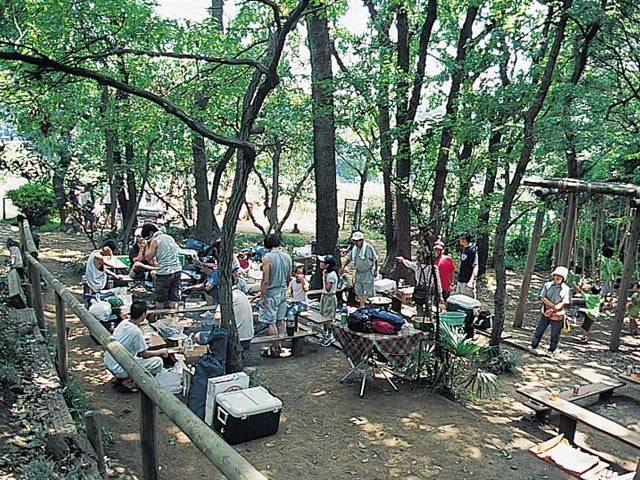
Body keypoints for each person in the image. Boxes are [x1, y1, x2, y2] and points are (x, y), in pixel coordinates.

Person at [104, 300, 169, 393]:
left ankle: (124, 379)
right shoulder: (136, 331)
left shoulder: (124, 322)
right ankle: (128, 381)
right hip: (119, 367)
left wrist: (142, 340)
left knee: (136, 358)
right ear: (143, 315)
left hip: (109, 361)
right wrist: (161, 351)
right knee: (158, 362)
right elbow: (144, 354)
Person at [259, 234, 292, 358]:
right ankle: (280, 345)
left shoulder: (267, 258)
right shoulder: (287, 257)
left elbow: (265, 280)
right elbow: (289, 276)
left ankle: (275, 347)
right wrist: (286, 287)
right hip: (283, 291)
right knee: (280, 320)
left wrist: (262, 296)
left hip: (271, 293)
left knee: (271, 322)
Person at [528, 266, 571, 356]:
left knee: (555, 333)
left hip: (557, 314)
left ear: (563, 278)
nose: (557, 277)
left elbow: (563, 302)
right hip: (545, 311)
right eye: (556, 275)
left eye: (560, 275)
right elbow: (543, 297)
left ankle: (551, 350)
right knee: (539, 329)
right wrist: (551, 306)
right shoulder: (547, 285)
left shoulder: (566, 289)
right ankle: (533, 345)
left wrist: (553, 309)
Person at [142, 223, 182, 310]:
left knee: (160, 298)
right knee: (173, 297)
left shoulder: (155, 240)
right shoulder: (169, 237)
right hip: (177, 270)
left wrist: (146, 245)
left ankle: (159, 317)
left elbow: (148, 258)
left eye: (146, 237)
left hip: (165, 272)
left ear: (151, 233)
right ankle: (173, 317)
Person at [395, 251, 443, 318]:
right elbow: (438, 281)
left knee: (419, 308)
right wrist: (440, 294)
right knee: (429, 309)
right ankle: (428, 322)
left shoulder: (417, 266)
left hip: (419, 290)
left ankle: (420, 321)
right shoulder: (434, 268)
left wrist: (402, 260)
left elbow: (409, 264)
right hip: (429, 290)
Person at [341, 231, 378, 307]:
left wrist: (376, 270)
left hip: (368, 271)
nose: (356, 243)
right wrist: (343, 267)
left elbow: (375, 259)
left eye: (358, 241)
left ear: (362, 240)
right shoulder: (354, 249)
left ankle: (372, 307)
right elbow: (349, 259)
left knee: (370, 291)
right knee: (358, 290)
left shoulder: (368, 248)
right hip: (358, 272)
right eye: (355, 241)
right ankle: (362, 306)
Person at [318, 255, 338, 346]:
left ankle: (331, 336)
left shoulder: (331, 275)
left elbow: (328, 288)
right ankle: (325, 333)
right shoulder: (325, 272)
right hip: (324, 296)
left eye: (322, 262)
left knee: (328, 318)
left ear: (327, 265)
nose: (320, 263)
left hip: (330, 297)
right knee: (323, 315)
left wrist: (325, 277)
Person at [285, 266, 309, 332]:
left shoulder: (305, 282)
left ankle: (291, 331)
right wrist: (289, 293)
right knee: (284, 311)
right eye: (297, 273)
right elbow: (289, 288)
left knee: (291, 313)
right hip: (293, 301)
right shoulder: (293, 280)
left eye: (301, 273)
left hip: (302, 304)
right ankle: (288, 329)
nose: (299, 275)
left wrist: (303, 281)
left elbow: (306, 289)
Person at [456, 233, 478, 298]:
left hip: (467, 281)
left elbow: (476, 266)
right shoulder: (463, 250)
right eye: (460, 238)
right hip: (460, 280)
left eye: (462, 238)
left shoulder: (473, 250)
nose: (460, 240)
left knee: (468, 302)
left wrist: (471, 281)